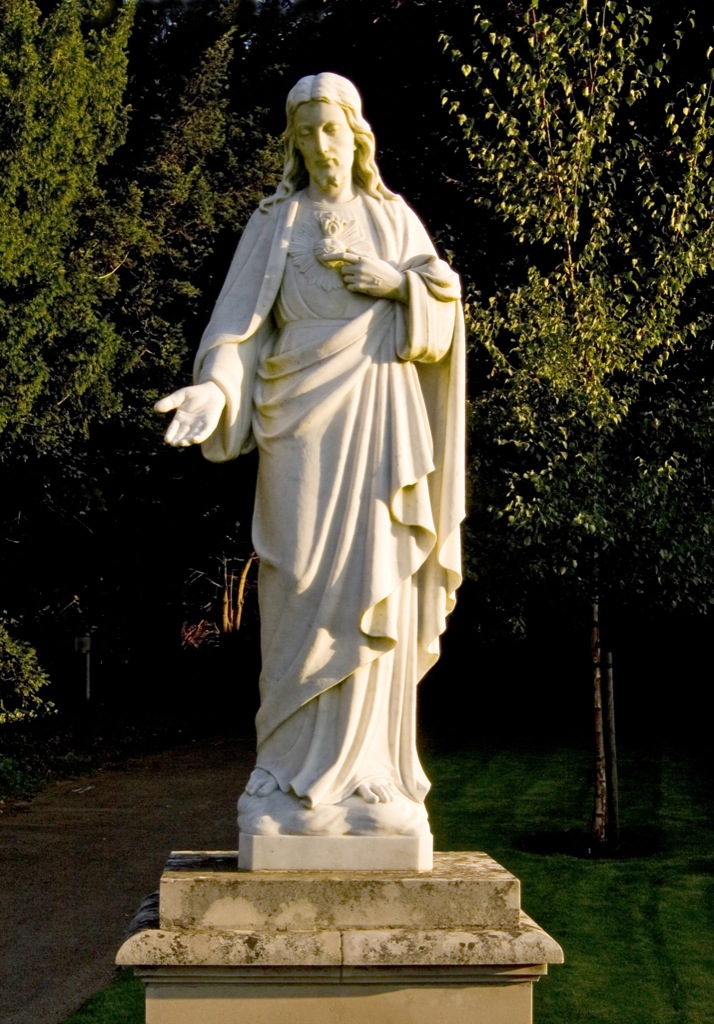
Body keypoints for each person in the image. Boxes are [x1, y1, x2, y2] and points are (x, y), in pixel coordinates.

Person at [156, 73, 464, 837]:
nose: (322, 145)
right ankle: (281, 774)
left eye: (333, 129)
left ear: (356, 135)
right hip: (295, 425)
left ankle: (372, 775)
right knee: (294, 580)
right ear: (293, 141)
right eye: (307, 131)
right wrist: (214, 391)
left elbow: (444, 312)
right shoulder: (276, 220)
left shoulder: (392, 218)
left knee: (372, 580)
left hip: (378, 421)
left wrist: (398, 286)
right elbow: (238, 331)